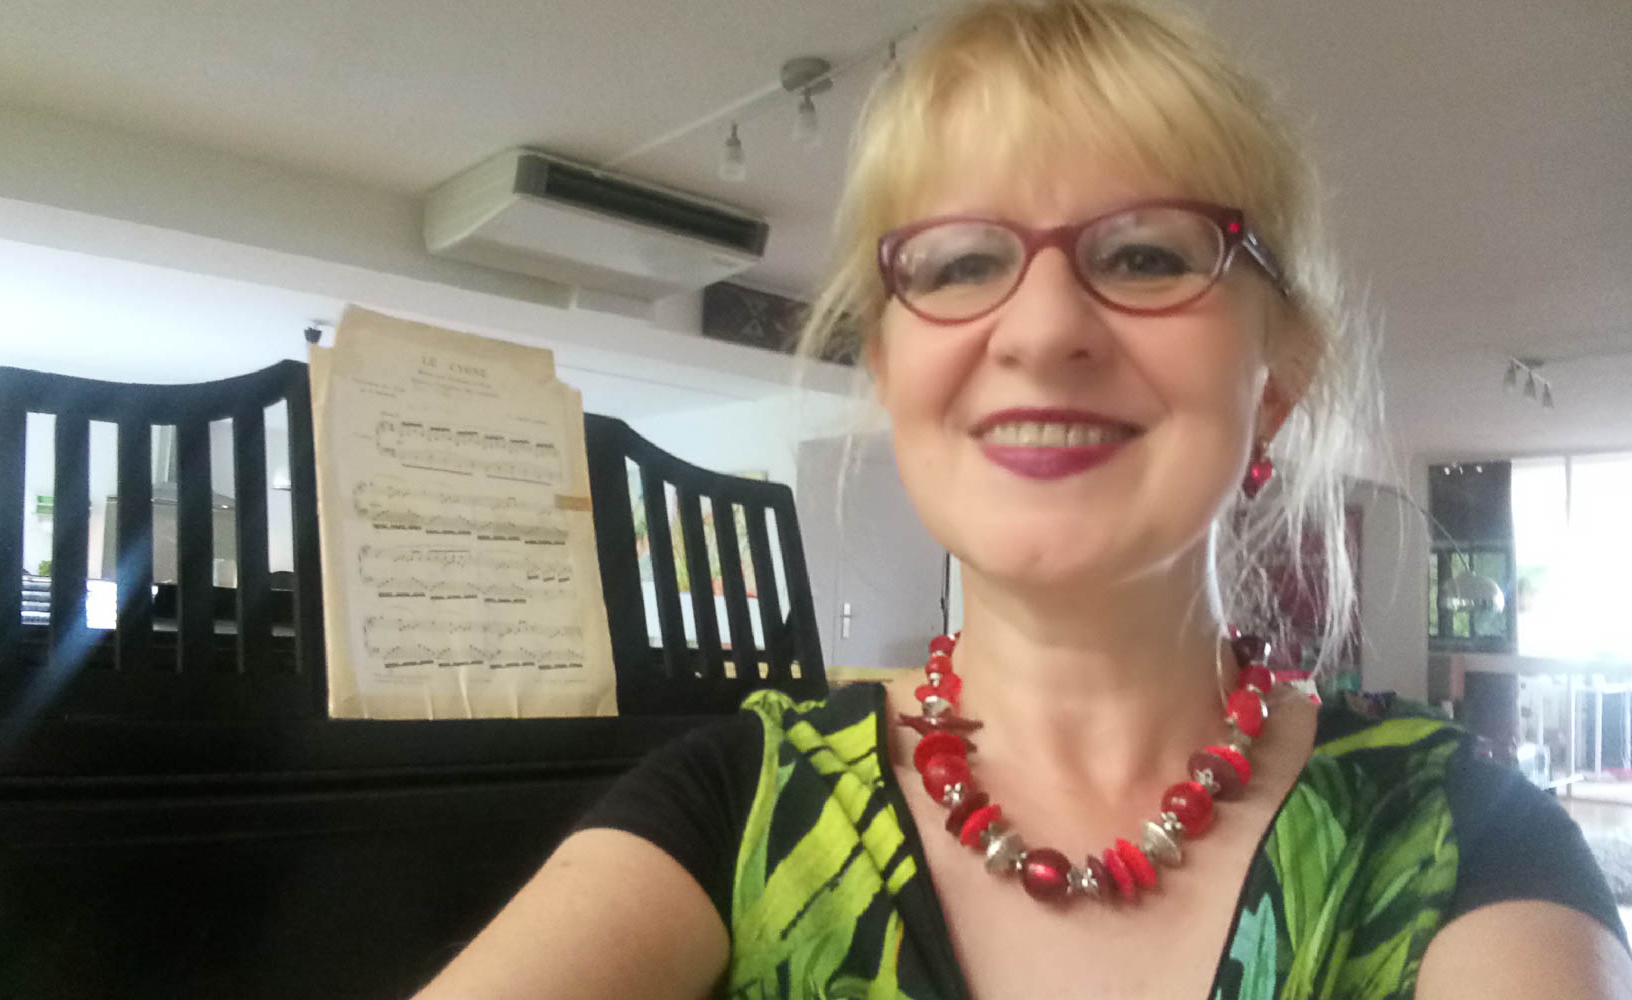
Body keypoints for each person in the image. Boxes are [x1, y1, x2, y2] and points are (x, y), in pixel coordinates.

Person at [422, 2, 1631, 996]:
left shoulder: (1464, 833)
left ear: (1274, 379)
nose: (1042, 328)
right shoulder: (731, 806)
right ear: (890, 372)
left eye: (1146, 255)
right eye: (959, 264)